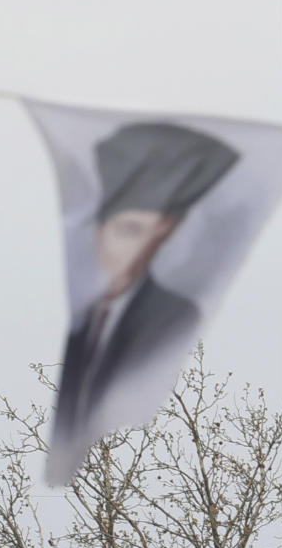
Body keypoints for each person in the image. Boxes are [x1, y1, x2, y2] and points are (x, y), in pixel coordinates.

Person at [53, 121, 239, 444]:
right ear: (98, 231)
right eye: (128, 231)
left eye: (157, 235)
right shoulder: (81, 313)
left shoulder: (175, 314)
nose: (140, 251)